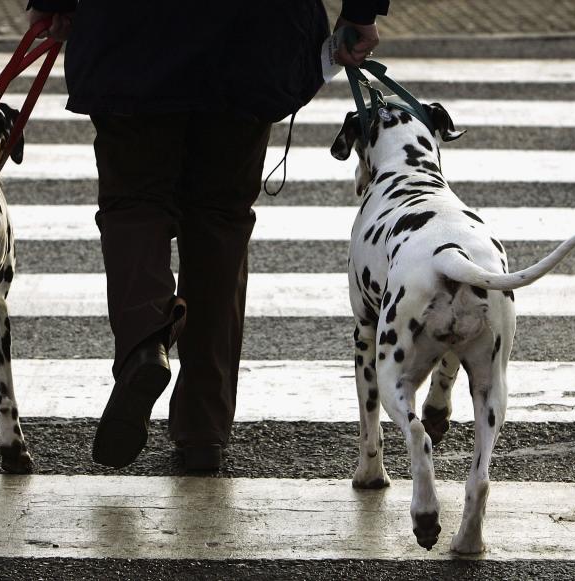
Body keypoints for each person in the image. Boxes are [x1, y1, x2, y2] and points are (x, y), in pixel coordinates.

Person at [26, 0, 389, 470]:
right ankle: (202, 430)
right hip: (251, 37)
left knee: (133, 204)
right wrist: (360, 10)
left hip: (131, 35)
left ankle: (144, 341)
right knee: (220, 221)